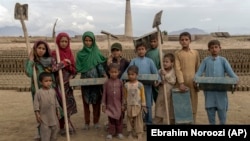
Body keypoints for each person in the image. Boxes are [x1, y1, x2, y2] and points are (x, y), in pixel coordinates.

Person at [194, 39, 239, 124]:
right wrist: (195, 79)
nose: (214, 49)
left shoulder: (223, 60)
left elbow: (231, 73)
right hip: (209, 92)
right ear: (209, 50)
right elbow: (198, 73)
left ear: (219, 48)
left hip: (221, 92)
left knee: (222, 114)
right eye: (212, 48)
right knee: (210, 114)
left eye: (216, 47)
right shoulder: (205, 61)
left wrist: (236, 80)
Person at [25, 40, 58, 140]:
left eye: (43, 48)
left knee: (51, 111)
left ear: (46, 50)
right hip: (37, 90)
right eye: (39, 48)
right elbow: (29, 73)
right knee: (39, 111)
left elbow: (54, 73)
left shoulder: (49, 61)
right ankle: (40, 132)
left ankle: (52, 132)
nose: (41, 50)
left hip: (49, 91)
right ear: (35, 49)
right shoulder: (32, 62)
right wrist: (30, 60)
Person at [121, 41, 160, 126]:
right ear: (136, 51)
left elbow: (155, 73)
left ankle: (148, 122)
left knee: (147, 104)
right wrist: (122, 79)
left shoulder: (150, 61)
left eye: (142, 49)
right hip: (136, 87)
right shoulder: (134, 61)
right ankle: (138, 122)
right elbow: (128, 71)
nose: (141, 51)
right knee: (137, 103)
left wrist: (158, 80)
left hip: (147, 86)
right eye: (139, 49)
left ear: (146, 50)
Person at [76, 31, 107, 130]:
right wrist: (71, 77)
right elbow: (77, 68)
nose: (88, 42)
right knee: (86, 103)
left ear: (93, 41)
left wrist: (105, 75)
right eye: (86, 40)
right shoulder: (80, 54)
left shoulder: (96, 53)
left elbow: (100, 66)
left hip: (96, 83)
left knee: (96, 103)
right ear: (83, 41)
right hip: (84, 82)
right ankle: (86, 122)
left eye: (90, 40)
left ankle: (96, 121)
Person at [51, 32, 77, 135]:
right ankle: (61, 127)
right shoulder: (54, 54)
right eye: (62, 41)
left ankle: (67, 125)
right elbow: (53, 68)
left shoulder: (70, 53)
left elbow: (74, 70)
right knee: (61, 107)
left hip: (68, 86)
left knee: (68, 106)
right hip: (58, 85)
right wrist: (63, 63)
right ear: (58, 41)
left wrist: (71, 76)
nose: (64, 43)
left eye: (66, 41)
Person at [174, 32, 200, 123]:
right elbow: (177, 69)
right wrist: (181, 83)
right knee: (181, 103)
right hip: (181, 83)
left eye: (186, 39)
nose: (184, 41)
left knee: (193, 103)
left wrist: (197, 81)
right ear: (179, 41)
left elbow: (198, 68)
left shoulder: (195, 53)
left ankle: (193, 122)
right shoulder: (177, 53)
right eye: (182, 40)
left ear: (190, 41)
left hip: (193, 82)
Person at [33, 72, 60, 141]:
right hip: (44, 118)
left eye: (50, 81)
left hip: (53, 117)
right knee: (45, 135)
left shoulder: (53, 91)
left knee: (54, 134)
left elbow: (56, 101)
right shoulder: (38, 93)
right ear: (41, 82)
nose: (48, 83)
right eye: (46, 81)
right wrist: (37, 114)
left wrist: (58, 110)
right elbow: (36, 104)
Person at [101, 63, 124, 140]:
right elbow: (104, 94)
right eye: (112, 72)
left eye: (115, 72)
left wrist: (123, 104)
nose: (114, 74)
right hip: (110, 105)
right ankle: (111, 133)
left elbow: (123, 94)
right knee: (111, 120)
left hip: (118, 105)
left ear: (119, 72)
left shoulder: (120, 82)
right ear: (109, 72)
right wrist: (103, 104)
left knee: (119, 119)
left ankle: (119, 132)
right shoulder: (106, 83)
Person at [123, 65, 146, 141]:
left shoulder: (140, 85)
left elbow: (142, 96)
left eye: (132, 74)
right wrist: (124, 104)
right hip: (129, 105)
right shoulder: (126, 85)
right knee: (129, 119)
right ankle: (130, 133)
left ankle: (139, 133)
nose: (130, 76)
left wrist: (143, 105)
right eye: (129, 74)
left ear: (137, 75)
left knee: (138, 120)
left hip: (137, 105)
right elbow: (125, 96)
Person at [154, 53, 176, 125]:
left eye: (167, 62)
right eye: (163, 61)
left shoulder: (173, 71)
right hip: (162, 94)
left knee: (171, 111)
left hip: (170, 94)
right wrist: (160, 82)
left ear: (172, 63)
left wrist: (166, 75)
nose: (165, 63)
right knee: (159, 110)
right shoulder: (160, 71)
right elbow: (155, 82)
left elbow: (173, 81)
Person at [145, 33, 161, 103]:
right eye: (151, 42)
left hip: (156, 77)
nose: (152, 43)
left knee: (158, 97)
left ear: (158, 42)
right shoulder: (147, 52)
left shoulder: (160, 53)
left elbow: (161, 67)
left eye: (154, 41)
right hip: (148, 77)